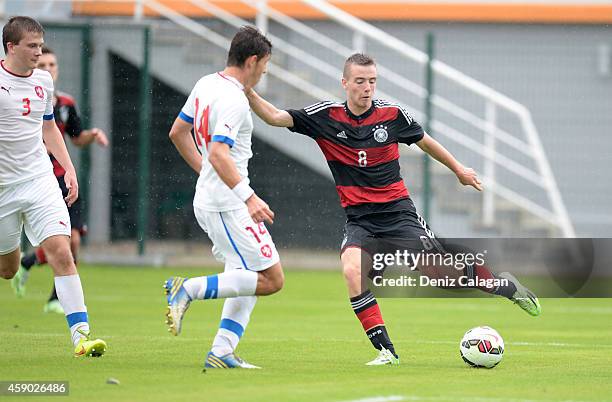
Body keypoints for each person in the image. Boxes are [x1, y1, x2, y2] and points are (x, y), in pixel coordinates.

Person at [245, 53, 541, 366]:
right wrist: (247, 89)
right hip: (360, 221)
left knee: (447, 277)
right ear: (345, 83)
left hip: (399, 215)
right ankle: (387, 352)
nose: (367, 87)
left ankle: (504, 285)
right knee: (352, 270)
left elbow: (425, 141)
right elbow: (275, 117)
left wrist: (458, 170)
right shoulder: (325, 116)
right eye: (360, 81)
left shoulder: (392, 115)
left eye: (372, 81)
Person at [164, 26, 284, 369]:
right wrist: (248, 197)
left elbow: (178, 132)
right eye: (264, 66)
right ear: (252, 60)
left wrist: (206, 172)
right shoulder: (233, 99)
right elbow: (219, 152)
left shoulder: (207, 83)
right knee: (272, 279)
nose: (264, 73)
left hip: (213, 198)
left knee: (245, 277)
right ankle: (187, 289)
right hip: (229, 204)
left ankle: (222, 351)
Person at [0, 16, 106, 357]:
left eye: (40, 45)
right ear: (10, 47)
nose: (38, 52)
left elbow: (49, 129)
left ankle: (81, 336)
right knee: (8, 269)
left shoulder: (43, 81)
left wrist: (69, 168)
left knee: (62, 250)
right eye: (31, 46)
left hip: (38, 180)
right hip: (3, 189)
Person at [11, 46, 109, 314]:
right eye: (43, 66)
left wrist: (93, 134)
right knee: (17, 259)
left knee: (73, 241)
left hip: (61, 179)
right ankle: (23, 263)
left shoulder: (65, 104)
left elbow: (76, 138)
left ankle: (54, 295)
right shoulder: (16, 99)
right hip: (29, 179)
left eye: (52, 65)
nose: (48, 70)